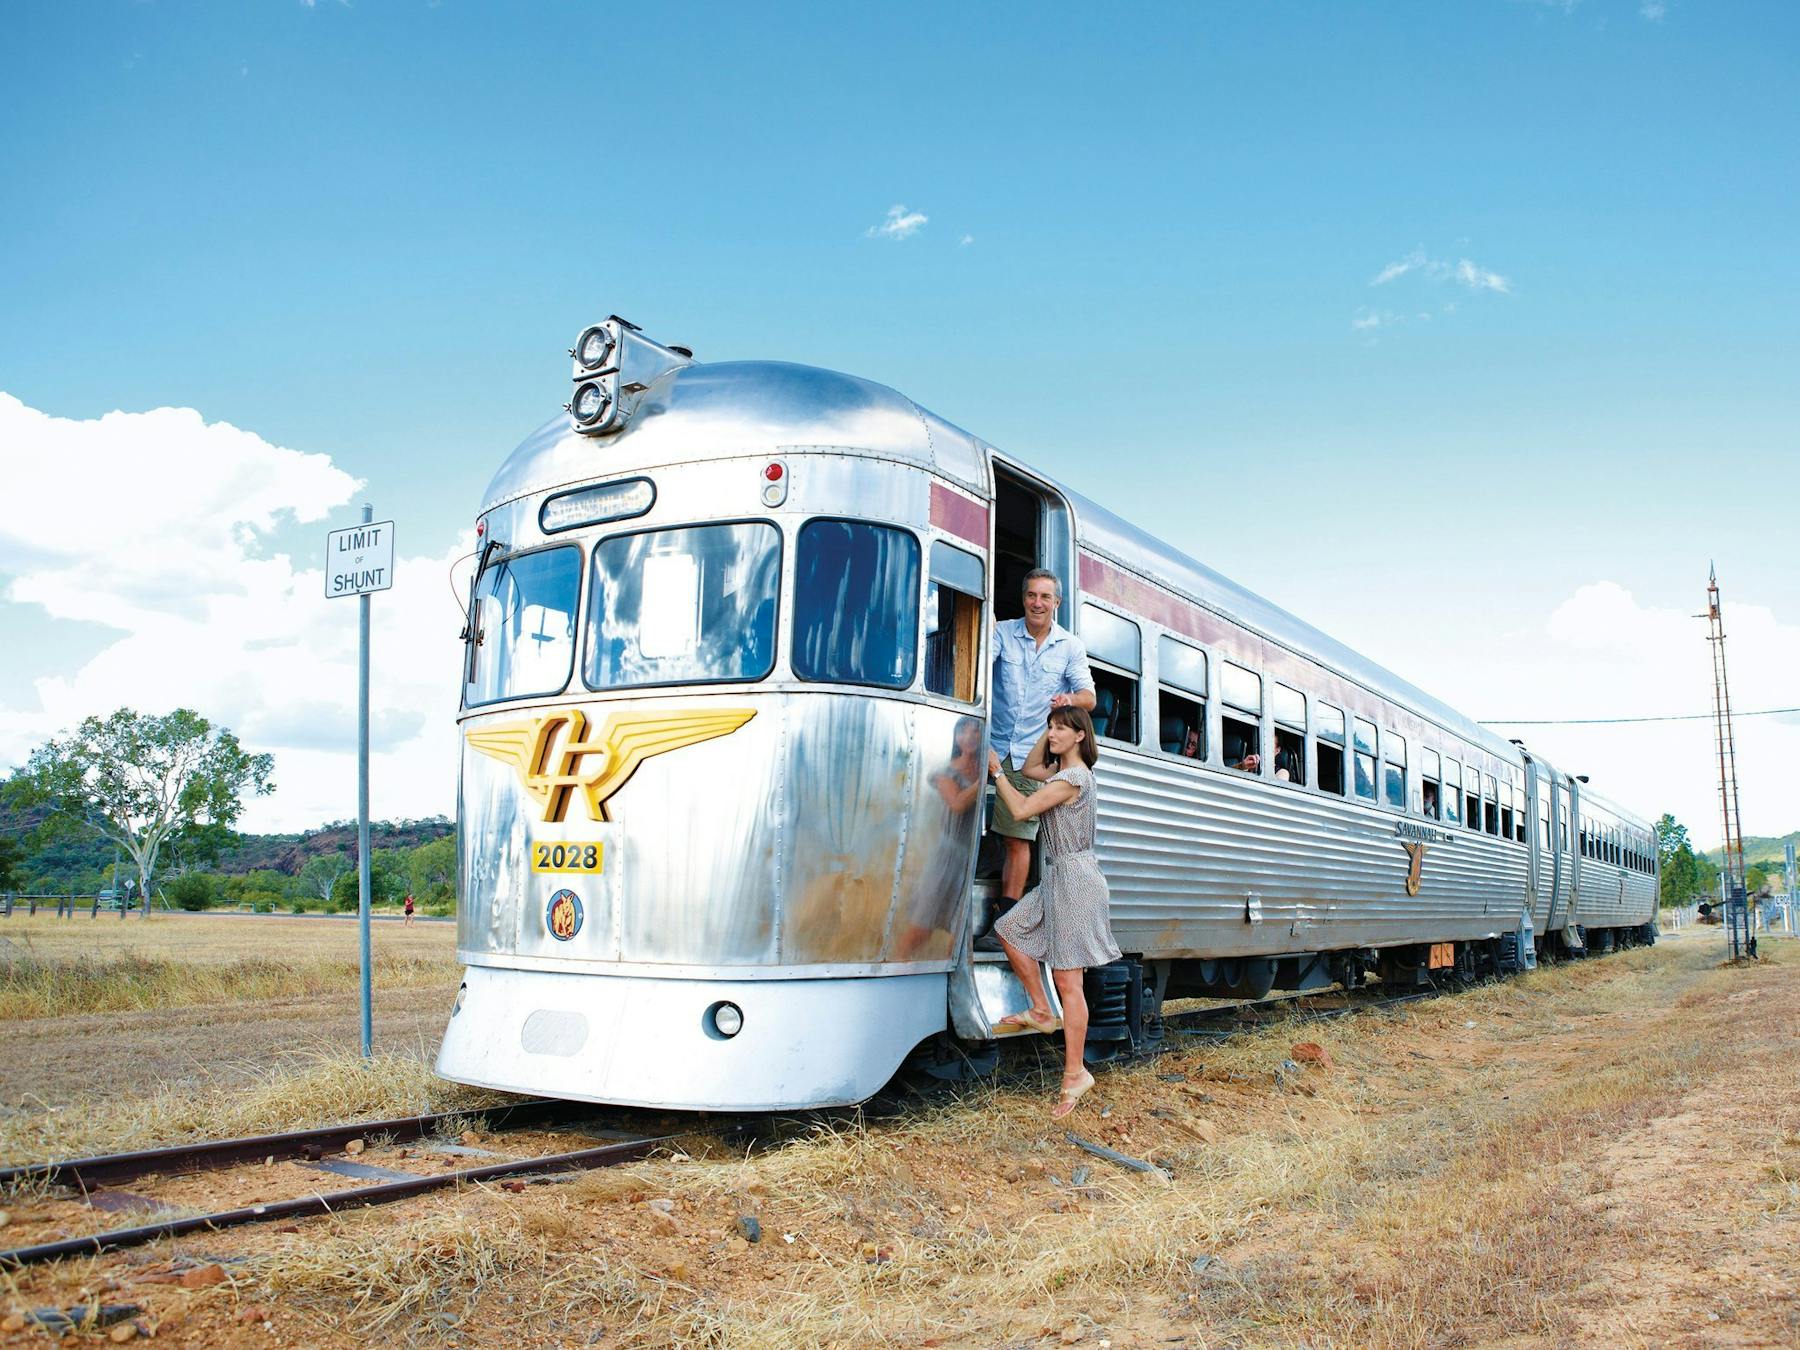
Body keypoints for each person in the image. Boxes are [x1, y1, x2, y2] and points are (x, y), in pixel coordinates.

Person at [985, 705, 1121, 1118]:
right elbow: (1030, 767)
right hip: (1059, 877)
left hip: (1076, 881)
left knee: (1069, 980)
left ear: (1081, 735)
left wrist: (996, 773)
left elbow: (1023, 809)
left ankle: (1075, 1073)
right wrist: (1052, 724)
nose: (1052, 733)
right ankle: (1041, 1010)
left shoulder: (1074, 778)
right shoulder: (1062, 774)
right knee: (1009, 929)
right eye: (1050, 728)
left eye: (1062, 729)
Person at [988, 569, 1096, 924]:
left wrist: (1069, 699)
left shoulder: (1070, 646)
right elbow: (980, 663)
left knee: (1017, 839)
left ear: (1057, 603)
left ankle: (1005, 918)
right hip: (991, 741)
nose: (1037, 603)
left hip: (1027, 756)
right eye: (1032, 595)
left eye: (1045, 597)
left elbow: (1089, 697)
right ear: (1023, 599)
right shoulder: (1003, 631)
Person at [893, 716, 985, 960]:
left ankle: (947, 983)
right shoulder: (947, 771)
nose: (969, 737)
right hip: (947, 857)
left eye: (975, 732)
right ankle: (898, 969)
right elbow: (956, 804)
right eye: (962, 732)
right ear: (955, 738)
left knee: (962, 934)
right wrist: (982, 782)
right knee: (922, 926)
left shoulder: (986, 768)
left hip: (974, 857)